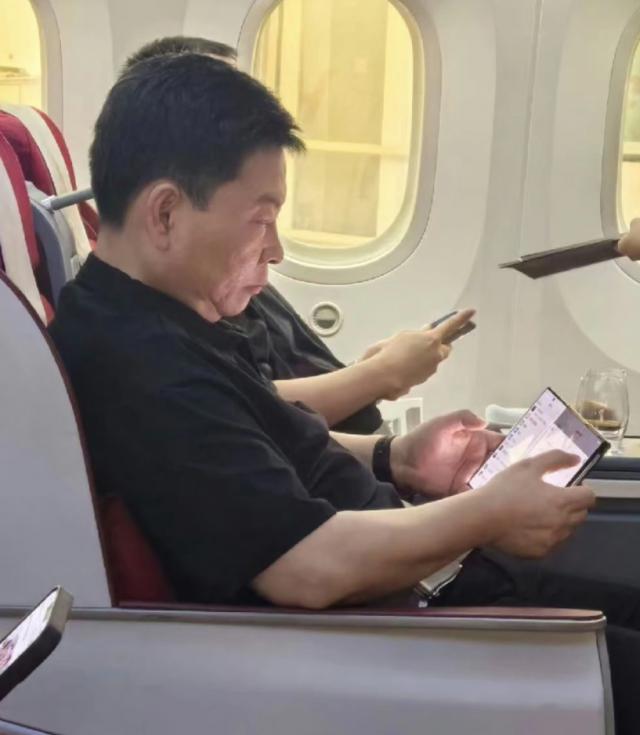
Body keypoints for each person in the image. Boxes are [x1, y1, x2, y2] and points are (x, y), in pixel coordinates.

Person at [49, 55, 639, 731]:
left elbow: (253, 444)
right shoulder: (140, 366)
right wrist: (486, 513)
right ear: (165, 213)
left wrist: (397, 458)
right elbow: (307, 568)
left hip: (417, 592)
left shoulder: (166, 320)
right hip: (384, 638)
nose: (274, 250)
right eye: (260, 219)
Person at [121, 36, 474, 434]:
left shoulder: (238, 268)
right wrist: (380, 375)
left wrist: (370, 372)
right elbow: (248, 407)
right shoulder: (192, 285)